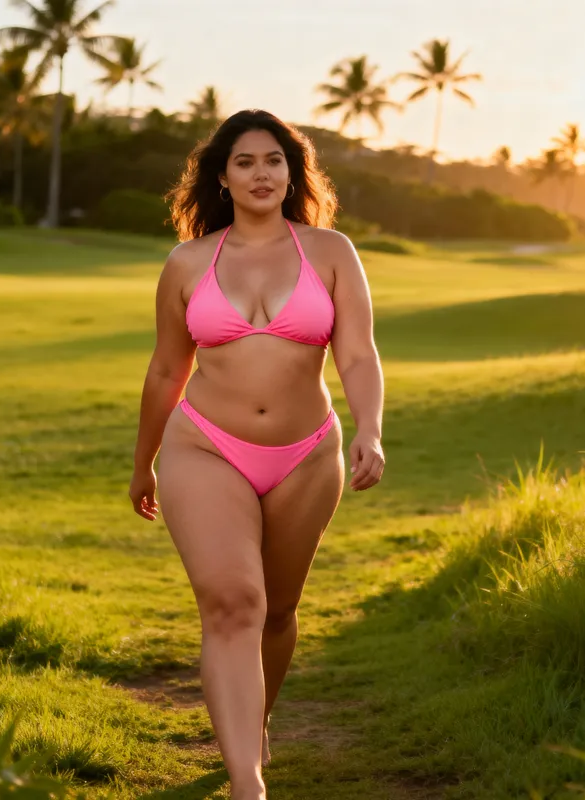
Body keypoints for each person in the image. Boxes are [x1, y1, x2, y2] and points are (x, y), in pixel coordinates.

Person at [128, 109, 385, 800]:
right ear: (223, 176)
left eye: (274, 160)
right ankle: (248, 782)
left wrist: (370, 428)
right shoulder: (188, 262)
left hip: (307, 454)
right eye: (244, 162)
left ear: (292, 173)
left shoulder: (331, 251)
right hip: (205, 447)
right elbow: (166, 369)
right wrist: (144, 461)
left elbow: (358, 354)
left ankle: (255, 719)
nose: (261, 173)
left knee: (276, 609)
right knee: (234, 603)